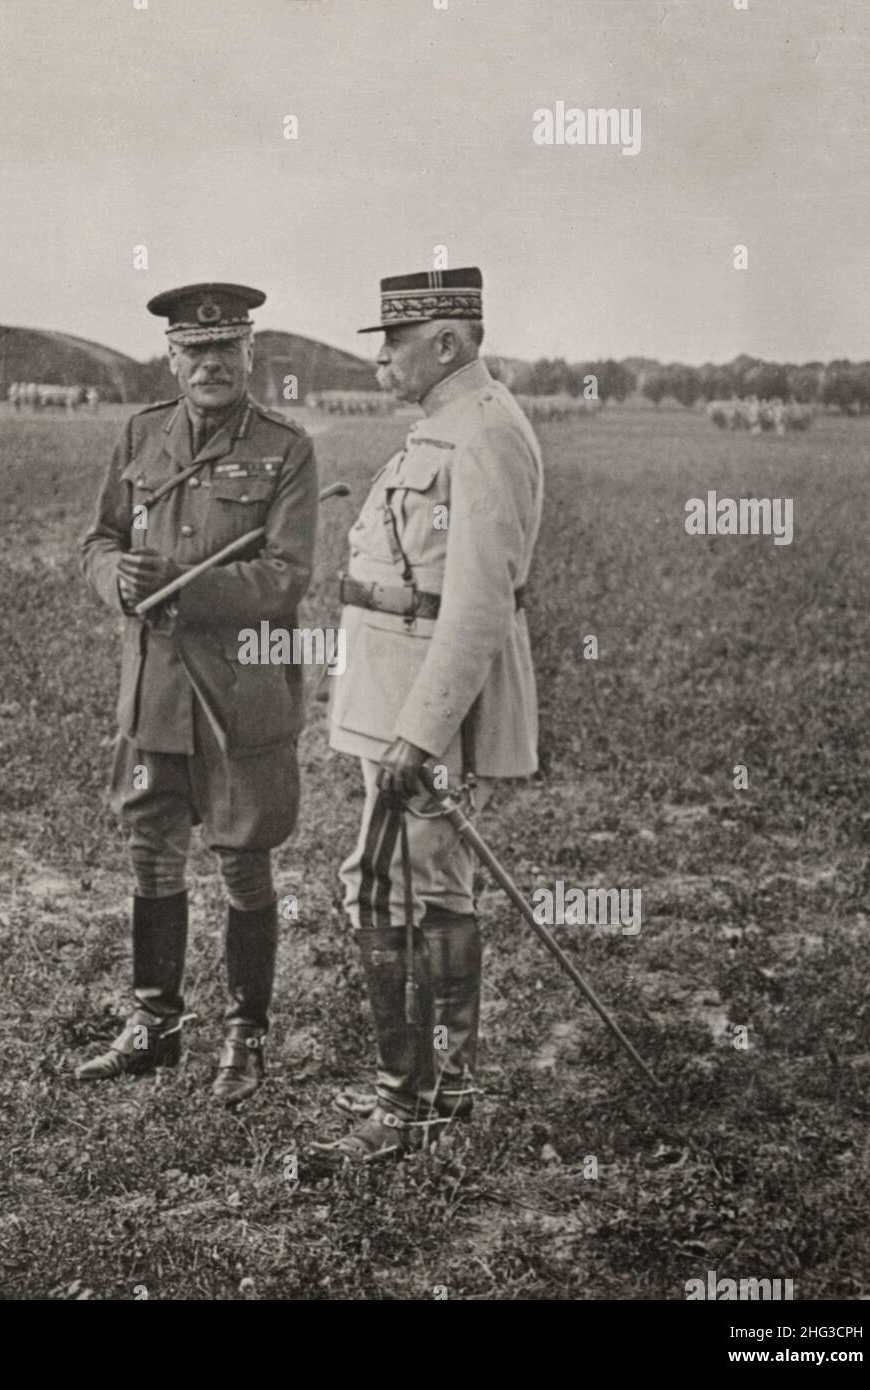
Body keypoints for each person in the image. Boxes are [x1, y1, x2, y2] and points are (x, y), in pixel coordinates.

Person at [314, 267, 543, 1161]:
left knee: (385, 891)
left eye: (394, 340)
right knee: (432, 890)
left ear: (446, 344)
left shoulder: (483, 433)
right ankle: (439, 1096)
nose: (379, 358)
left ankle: (404, 1106)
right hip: (394, 697)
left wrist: (422, 728)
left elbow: (479, 603)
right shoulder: (447, 427)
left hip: (417, 710)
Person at [80, 282, 320, 1106]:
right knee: (151, 849)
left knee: (242, 860)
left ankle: (245, 1039)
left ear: (251, 356)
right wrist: (115, 578)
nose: (211, 364)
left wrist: (181, 587)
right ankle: (155, 1024)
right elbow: (100, 538)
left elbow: (286, 576)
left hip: (238, 691)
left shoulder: (287, 448)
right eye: (195, 351)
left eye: (227, 350)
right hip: (154, 691)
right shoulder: (141, 434)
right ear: (172, 358)